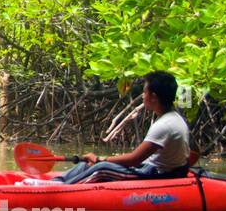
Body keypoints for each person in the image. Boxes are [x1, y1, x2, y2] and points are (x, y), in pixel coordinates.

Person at [22, 71, 191, 185]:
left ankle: (61, 189)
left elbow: (134, 159)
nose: (143, 96)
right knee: (88, 164)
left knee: (101, 169)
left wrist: (101, 160)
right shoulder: (173, 118)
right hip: (152, 168)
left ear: (154, 97)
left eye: (145, 92)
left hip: (157, 174)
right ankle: (56, 183)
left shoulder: (165, 125)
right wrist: (97, 159)